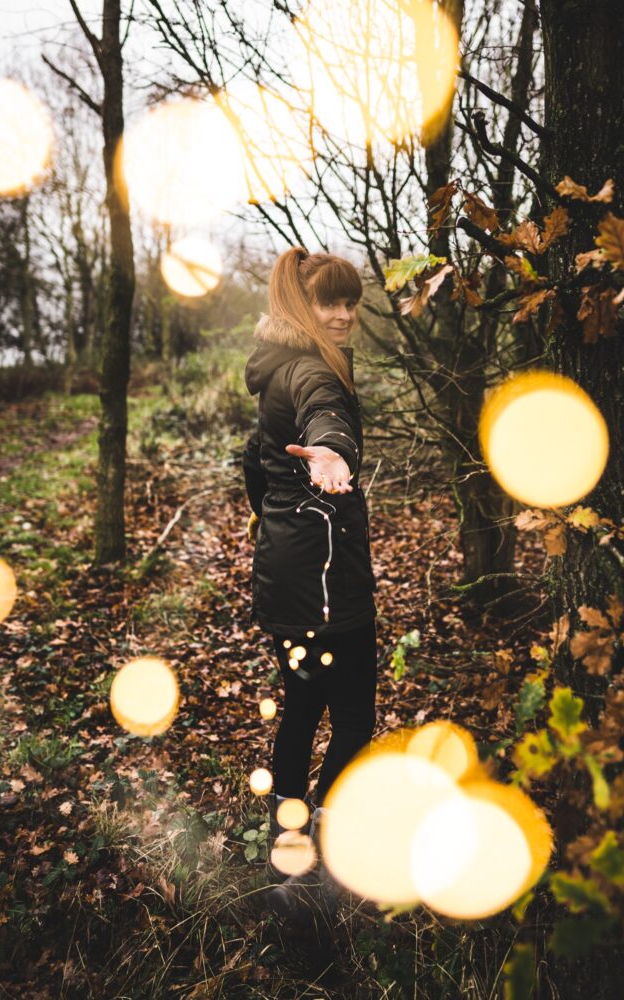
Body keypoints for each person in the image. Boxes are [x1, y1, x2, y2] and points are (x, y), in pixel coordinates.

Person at [242, 246, 378, 920]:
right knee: (354, 719)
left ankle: (287, 852)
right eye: (331, 302)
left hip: (291, 578)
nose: (345, 314)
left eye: (351, 301)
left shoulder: (275, 364)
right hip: (325, 586)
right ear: (303, 304)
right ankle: (317, 848)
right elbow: (324, 415)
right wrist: (332, 450)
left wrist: (272, 516)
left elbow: (255, 461)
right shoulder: (310, 370)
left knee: (301, 709)